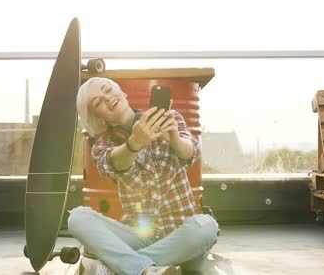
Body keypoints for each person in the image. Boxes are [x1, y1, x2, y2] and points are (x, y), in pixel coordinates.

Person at [68, 77, 218, 275]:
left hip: (183, 234)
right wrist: (135, 143)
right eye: (98, 103)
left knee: (206, 226)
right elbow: (115, 163)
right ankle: (147, 270)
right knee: (77, 218)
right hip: (139, 236)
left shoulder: (170, 117)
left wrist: (175, 139)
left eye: (108, 90)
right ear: (99, 118)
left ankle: (120, 267)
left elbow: (192, 153)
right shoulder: (102, 146)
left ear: (123, 94)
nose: (107, 98)